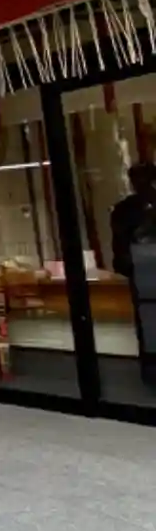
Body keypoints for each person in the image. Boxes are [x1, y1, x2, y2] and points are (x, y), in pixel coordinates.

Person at [111, 163, 156, 389]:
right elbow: (120, 250)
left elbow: (120, 251)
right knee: (147, 324)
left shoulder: (124, 210)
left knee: (147, 324)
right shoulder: (124, 210)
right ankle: (151, 369)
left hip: (142, 275)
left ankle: (151, 369)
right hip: (143, 276)